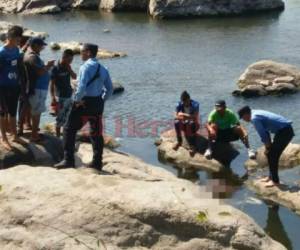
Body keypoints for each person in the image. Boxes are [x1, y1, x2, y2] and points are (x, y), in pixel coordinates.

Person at [55, 43, 113, 170]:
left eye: (81, 52)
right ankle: (97, 163)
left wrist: (76, 101)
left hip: (84, 102)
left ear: (88, 52)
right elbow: (110, 89)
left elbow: (81, 88)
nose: (80, 54)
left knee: (68, 129)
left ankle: (68, 160)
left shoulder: (85, 67)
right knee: (96, 133)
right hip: (98, 102)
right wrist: (102, 100)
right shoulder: (104, 68)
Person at [238, 106, 294, 187]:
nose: (243, 120)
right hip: (282, 132)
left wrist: (267, 147)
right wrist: (268, 146)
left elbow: (263, 134)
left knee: (272, 155)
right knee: (270, 154)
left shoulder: (254, 118)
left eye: (242, 117)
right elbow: (265, 132)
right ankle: (271, 177)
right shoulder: (255, 112)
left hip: (285, 132)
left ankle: (275, 181)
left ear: (246, 114)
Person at [23, 37, 55, 142]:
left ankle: (34, 132)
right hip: (38, 88)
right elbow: (39, 72)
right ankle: (34, 135)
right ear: (36, 45)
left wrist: (46, 67)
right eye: (41, 46)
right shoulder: (32, 57)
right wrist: (48, 65)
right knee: (36, 112)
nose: (42, 48)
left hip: (38, 88)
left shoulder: (32, 55)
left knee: (36, 111)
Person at [0, 25, 24, 150]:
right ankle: (4, 138)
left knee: (13, 112)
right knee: (3, 113)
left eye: (19, 39)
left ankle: (14, 135)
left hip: (14, 86)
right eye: (17, 39)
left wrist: (21, 84)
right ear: (10, 37)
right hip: (2, 87)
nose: (19, 41)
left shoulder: (16, 50)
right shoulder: (2, 52)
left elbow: (18, 67)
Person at [50, 49, 77, 137]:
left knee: (68, 118)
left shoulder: (68, 66)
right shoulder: (55, 68)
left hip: (69, 95)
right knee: (59, 118)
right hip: (60, 96)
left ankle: (65, 136)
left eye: (72, 60)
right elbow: (51, 84)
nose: (70, 62)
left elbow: (74, 77)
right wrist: (53, 97)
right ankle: (58, 137)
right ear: (64, 57)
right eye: (69, 60)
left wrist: (69, 69)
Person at [173, 91, 200, 156]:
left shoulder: (195, 104)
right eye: (183, 101)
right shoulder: (179, 104)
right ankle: (179, 141)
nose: (184, 103)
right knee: (176, 122)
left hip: (194, 124)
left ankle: (192, 146)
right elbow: (175, 116)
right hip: (184, 122)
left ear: (189, 99)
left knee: (190, 123)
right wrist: (185, 117)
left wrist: (182, 114)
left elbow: (194, 116)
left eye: (186, 101)